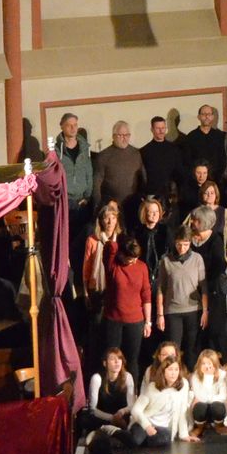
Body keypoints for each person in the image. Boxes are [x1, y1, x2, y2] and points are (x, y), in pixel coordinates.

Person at [101, 235, 152, 383]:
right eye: (130, 258)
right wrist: (115, 239)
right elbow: (110, 248)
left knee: (132, 359)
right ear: (122, 255)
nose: (133, 261)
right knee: (112, 359)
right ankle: (111, 390)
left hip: (135, 320)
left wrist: (148, 322)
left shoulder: (142, 267)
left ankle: (132, 391)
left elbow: (146, 295)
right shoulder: (113, 265)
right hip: (114, 320)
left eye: (136, 258)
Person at [155, 229, 208, 368]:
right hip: (173, 311)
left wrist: (205, 311)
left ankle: (190, 377)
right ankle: (172, 375)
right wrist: (160, 314)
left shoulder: (197, 258)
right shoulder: (166, 260)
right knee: (173, 350)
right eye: (179, 244)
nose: (182, 248)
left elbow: (203, 286)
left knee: (192, 350)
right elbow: (160, 289)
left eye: (185, 244)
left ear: (190, 243)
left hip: (193, 309)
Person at [57, 112, 93, 268]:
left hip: (82, 202)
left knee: (83, 240)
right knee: (67, 240)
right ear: (62, 127)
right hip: (65, 202)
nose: (73, 128)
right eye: (69, 125)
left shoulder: (84, 148)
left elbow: (89, 172)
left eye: (75, 125)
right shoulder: (56, 150)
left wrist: (88, 195)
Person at [127, 356, 189, 447]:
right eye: (170, 369)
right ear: (163, 371)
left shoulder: (183, 386)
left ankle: (145, 442)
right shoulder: (153, 387)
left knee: (164, 439)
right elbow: (136, 410)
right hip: (144, 423)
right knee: (136, 441)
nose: (174, 373)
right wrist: (147, 426)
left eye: (176, 369)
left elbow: (182, 411)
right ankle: (115, 432)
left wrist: (184, 434)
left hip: (161, 428)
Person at [77, 345, 135, 439]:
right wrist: (112, 418)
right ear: (105, 363)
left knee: (135, 420)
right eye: (112, 359)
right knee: (85, 419)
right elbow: (93, 409)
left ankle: (113, 432)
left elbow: (131, 405)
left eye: (119, 359)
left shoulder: (127, 376)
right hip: (103, 417)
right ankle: (110, 431)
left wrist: (121, 412)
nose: (117, 362)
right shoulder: (97, 378)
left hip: (121, 417)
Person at [82, 200, 124, 323]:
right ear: (101, 220)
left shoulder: (121, 240)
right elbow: (87, 266)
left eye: (113, 218)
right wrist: (85, 291)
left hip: (115, 287)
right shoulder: (92, 240)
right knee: (97, 322)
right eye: (107, 218)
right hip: (96, 287)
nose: (110, 222)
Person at [91, 120, 146, 212]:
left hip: (133, 204)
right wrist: (98, 205)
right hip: (111, 207)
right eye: (120, 135)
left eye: (127, 135)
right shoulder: (104, 156)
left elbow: (143, 178)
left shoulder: (136, 154)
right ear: (113, 136)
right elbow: (96, 184)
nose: (124, 138)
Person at [140, 114, 187, 206]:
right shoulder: (145, 151)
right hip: (152, 194)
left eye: (163, 128)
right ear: (152, 130)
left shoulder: (174, 149)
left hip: (170, 194)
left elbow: (180, 173)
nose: (161, 131)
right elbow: (142, 176)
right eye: (158, 128)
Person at [180, 103, 226, 182]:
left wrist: (218, 177)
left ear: (212, 117)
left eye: (209, 114)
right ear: (199, 117)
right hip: (196, 180)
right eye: (203, 114)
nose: (206, 116)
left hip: (216, 180)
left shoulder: (220, 136)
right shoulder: (191, 137)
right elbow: (187, 161)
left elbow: (223, 159)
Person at [188, 349, 227, 434]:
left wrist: (209, 400)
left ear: (215, 364)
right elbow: (199, 397)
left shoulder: (222, 374)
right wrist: (207, 377)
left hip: (216, 407)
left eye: (209, 363)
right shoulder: (195, 376)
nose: (206, 366)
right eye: (203, 363)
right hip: (203, 408)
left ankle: (219, 426)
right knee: (200, 407)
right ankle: (199, 427)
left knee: (217, 406)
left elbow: (223, 396)